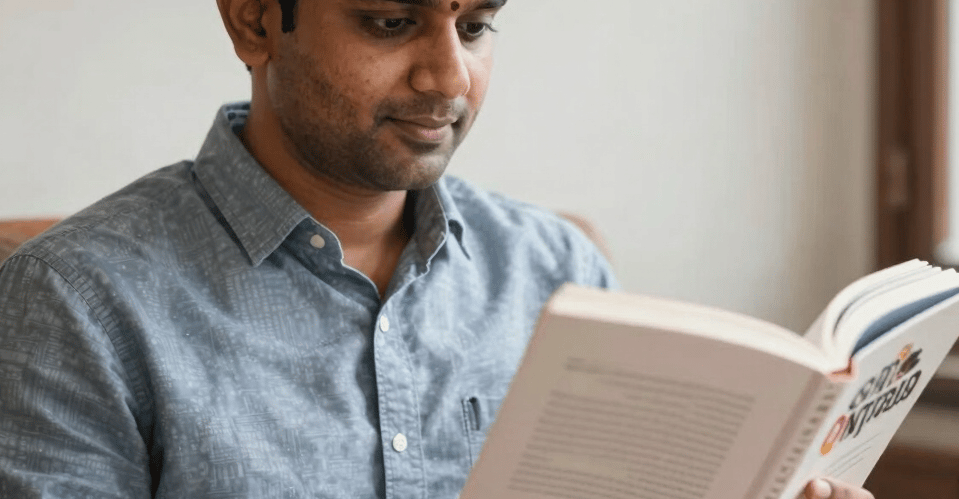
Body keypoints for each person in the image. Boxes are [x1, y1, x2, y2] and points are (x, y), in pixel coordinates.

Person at [0, 1, 873, 498]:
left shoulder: (558, 271)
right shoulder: (75, 297)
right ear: (256, 22)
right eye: (392, 21)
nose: (449, 76)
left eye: (477, 22)